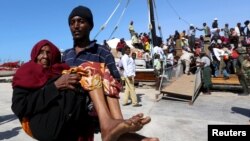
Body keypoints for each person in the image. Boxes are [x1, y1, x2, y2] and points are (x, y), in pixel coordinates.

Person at [11, 39, 155, 141]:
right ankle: (110, 128)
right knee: (87, 69)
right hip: (41, 123)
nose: (45, 56)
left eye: (49, 53)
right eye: (41, 52)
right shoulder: (26, 72)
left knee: (102, 73)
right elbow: (20, 107)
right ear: (34, 54)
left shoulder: (59, 70)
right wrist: (55, 86)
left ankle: (116, 126)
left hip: (68, 124)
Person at [63, 5, 158, 141]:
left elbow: (115, 81)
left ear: (90, 26)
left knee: (96, 70)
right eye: (72, 23)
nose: (76, 26)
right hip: (69, 113)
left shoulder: (102, 51)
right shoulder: (66, 55)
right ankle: (123, 133)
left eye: (81, 21)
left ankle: (115, 124)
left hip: (91, 113)